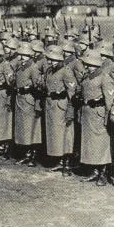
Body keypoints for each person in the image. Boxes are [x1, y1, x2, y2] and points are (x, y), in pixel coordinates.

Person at [79, 50, 114, 186]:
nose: (87, 65)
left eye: (89, 63)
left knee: (102, 144)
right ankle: (94, 171)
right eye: (86, 63)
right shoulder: (87, 76)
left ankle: (103, 173)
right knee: (90, 143)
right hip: (87, 112)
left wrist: (107, 117)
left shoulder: (104, 77)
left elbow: (110, 99)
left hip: (98, 113)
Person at [43, 45, 77, 177]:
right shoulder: (50, 70)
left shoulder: (66, 71)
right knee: (55, 135)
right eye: (49, 58)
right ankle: (59, 160)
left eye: (53, 59)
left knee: (65, 135)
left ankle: (67, 164)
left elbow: (72, 91)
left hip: (61, 106)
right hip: (51, 105)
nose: (50, 61)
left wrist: (70, 109)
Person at [13, 43, 43, 167]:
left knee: (32, 129)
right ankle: (26, 154)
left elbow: (38, 88)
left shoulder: (33, 68)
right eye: (21, 54)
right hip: (20, 99)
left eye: (24, 55)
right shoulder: (21, 66)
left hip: (29, 100)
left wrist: (37, 104)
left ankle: (32, 156)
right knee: (23, 129)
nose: (21, 57)